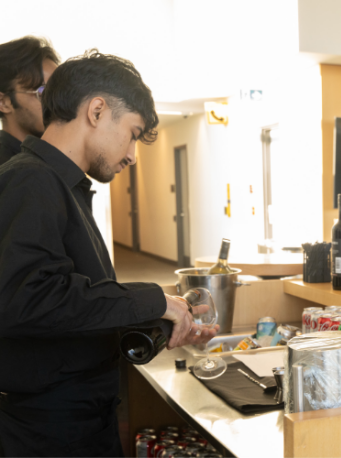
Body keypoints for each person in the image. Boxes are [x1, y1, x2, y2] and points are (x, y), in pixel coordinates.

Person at [0, 50, 217, 458]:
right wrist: (152, 299)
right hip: (49, 432)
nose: (132, 154)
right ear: (97, 110)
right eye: (133, 134)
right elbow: (28, 299)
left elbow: (76, 304)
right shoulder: (30, 180)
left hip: (84, 420)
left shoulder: (64, 187)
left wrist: (158, 318)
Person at [0, 36, 60, 164]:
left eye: (60, 91)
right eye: (43, 93)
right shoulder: (10, 170)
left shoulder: (47, 158)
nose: (57, 103)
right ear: (3, 102)